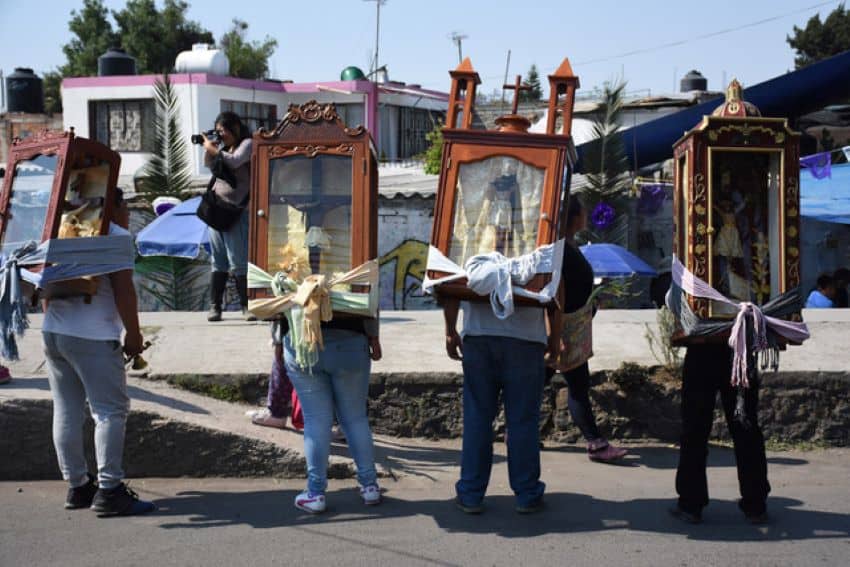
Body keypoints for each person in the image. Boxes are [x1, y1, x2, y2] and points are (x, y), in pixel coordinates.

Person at [42, 188, 155, 517]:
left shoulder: (62, 227)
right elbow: (124, 290)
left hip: (54, 331)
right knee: (109, 411)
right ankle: (109, 490)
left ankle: (78, 486)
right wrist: (133, 336)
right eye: (127, 207)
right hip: (93, 337)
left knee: (66, 410)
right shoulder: (116, 235)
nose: (129, 215)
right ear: (113, 205)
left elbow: (46, 285)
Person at [442, 272, 559, 515]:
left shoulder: (472, 241)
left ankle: (471, 494)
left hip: (479, 336)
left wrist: (450, 329)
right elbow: (557, 289)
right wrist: (555, 339)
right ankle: (527, 494)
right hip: (526, 340)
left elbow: (449, 281)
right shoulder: (542, 238)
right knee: (522, 421)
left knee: (477, 419)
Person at [549, 198, 627, 462]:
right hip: (565, 327)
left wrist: (594, 299)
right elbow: (556, 293)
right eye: (582, 212)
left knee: (545, 380)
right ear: (573, 218)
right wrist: (555, 334)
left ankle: (518, 434)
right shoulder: (559, 249)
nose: (586, 216)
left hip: (575, 324)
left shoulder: (571, 244)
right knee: (578, 385)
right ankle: (595, 443)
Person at [284, 316, 383, 514]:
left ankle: (315, 492)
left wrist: (278, 340)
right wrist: (373, 337)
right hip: (351, 342)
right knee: (355, 418)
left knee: (316, 420)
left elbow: (273, 303)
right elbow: (371, 300)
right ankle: (370, 486)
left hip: (302, 341)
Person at [671, 343, 770, 525]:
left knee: (695, 430)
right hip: (739, 354)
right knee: (745, 430)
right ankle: (755, 505)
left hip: (704, 351)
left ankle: (690, 504)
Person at [202, 111, 254, 322]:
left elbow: (234, 162)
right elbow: (209, 164)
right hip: (217, 209)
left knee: (238, 262)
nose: (221, 136)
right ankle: (215, 307)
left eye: (223, 131)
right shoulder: (223, 148)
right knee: (218, 261)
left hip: (236, 211)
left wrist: (213, 148)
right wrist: (210, 148)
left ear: (235, 128)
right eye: (218, 131)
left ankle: (246, 306)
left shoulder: (247, 144)